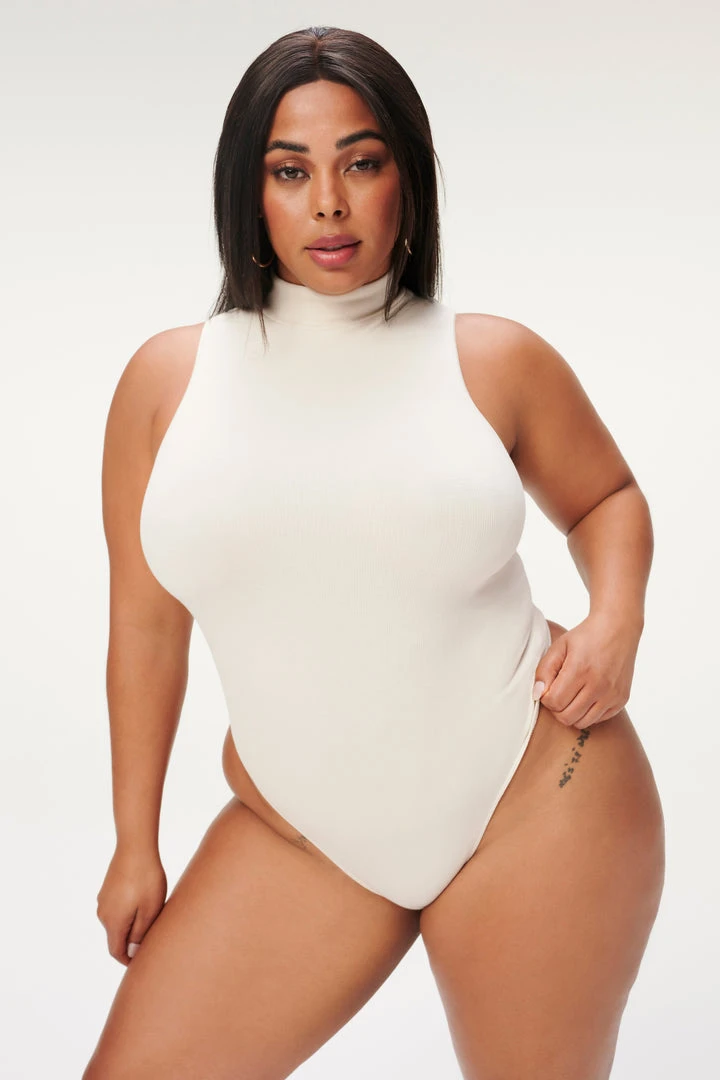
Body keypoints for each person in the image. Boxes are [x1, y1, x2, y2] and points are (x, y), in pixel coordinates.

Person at [83, 25, 665, 1080]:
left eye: (361, 163)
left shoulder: (491, 361)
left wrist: (616, 620)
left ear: (408, 179)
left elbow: (607, 500)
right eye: (290, 170)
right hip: (301, 838)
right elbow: (145, 627)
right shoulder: (166, 387)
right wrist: (135, 842)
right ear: (248, 189)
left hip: (540, 804)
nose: (328, 203)